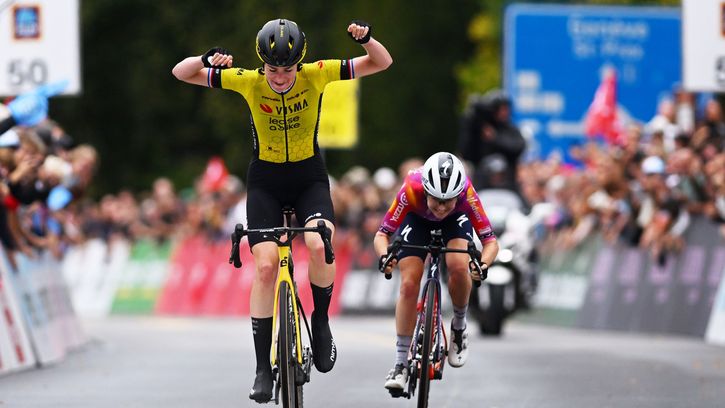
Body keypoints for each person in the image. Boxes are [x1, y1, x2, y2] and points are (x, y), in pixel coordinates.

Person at [172, 18, 392, 403]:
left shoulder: (316, 74)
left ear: (299, 63)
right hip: (265, 182)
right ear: (263, 64)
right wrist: (205, 59)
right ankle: (262, 368)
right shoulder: (248, 81)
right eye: (272, 70)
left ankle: (320, 322)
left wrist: (367, 40)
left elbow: (381, 62)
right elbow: (181, 73)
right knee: (266, 265)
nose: (279, 78)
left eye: (287, 70)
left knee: (320, 243)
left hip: (309, 179)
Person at [373, 152, 499, 391]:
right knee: (408, 284)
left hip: (456, 221)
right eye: (436, 200)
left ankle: (459, 327)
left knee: (458, 266)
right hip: (417, 220)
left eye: (447, 201)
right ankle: (400, 363)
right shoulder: (410, 189)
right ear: (425, 191)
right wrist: (384, 257)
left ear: (458, 194)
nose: (441, 208)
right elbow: (382, 234)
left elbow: (491, 242)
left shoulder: (467, 194)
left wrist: (482, 265)